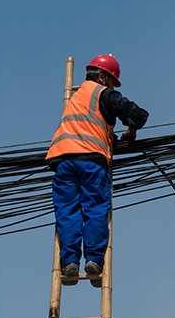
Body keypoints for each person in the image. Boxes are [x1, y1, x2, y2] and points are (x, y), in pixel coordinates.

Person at [45, 55, 149, 287]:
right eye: (111, 81)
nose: (112, 86)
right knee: (95, 209)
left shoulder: (76, 97)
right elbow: (135, 114)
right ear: (102, 77)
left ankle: (70, 263)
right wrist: (133, 126)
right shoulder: (102, 92)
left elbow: (91, 124)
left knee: (67, 211)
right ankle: (94, 259)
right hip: (90, 161)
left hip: (62, 161)